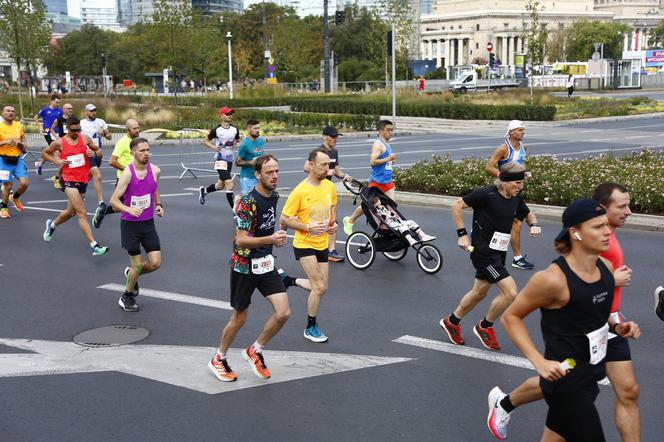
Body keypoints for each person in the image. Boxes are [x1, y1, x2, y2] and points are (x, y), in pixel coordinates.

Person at [486, 183, 641, 442]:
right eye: (598, 227)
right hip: (566, 381)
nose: (607, 233)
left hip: (591, 374)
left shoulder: (603, 266)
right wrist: (538, 361)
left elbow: (594, 311)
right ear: (575, 233)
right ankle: (504, 403)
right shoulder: (551, 280)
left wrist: (617, 328)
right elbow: (511, 317)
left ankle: (504, 404)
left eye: (606, 225)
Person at [440, 162, 541, 350]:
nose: (521, 186)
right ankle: (485, 327)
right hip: (483, 252)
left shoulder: (515, 196)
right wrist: (462, 234)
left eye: (522, 183)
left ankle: (452, 322)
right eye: (517, 183)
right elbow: (456, 205)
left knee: (479, 292)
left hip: (499, 252)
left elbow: (528, 213)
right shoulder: (486, 195)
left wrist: (534, 224)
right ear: (504, 182)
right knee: (510, 292)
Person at [209, 154, 291, 382]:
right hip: (244, 266)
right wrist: (271, 239)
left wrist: (275, 238)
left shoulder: (273, 196)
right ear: (257, 174)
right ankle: (219, 357)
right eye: (269, 172)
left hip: (265, 263)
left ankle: (255, 350)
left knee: (283, 312)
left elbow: (268, 227)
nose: (274, 176)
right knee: (239, 318)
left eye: (276, 171)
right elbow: (241, 240)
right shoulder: (248, 202)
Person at [281, 147, 338, 343]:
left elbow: (332, 214)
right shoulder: (299, 191)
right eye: (323, 165)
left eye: (329, 165)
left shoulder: (329, 187)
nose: (327, 169)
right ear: (311, 166)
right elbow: (284, 220)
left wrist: (333, 226)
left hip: (322, 244)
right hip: (304, 243)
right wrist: (307, 227)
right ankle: (310, 326)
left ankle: (289, 280)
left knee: (322, 288)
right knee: (319, 286)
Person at [40, 117, 109, 256]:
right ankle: (94, 245)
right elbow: (44, 153)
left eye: (78, 130)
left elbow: (100, 152)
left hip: (83, 179)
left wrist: (94, 153)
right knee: (81, 212)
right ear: (67, 128)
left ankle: (51, 225)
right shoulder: (59, 142)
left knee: (70, 212)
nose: (76, 132)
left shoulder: (85, 138)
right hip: (68, 180)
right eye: (73, 130)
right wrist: (57, 161)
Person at [109, 137, 163, 312]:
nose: (146, 153)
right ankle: (127, 296)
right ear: (133, 153)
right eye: (142, 150)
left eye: (148, 150)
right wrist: (129, 209)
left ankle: (131, 273)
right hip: (130, 224)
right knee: (138, 265)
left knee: (155, 263)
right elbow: (113, 201)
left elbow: (154, 188)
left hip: (147, 223)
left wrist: (159, 205)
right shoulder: (128, 173)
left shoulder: (155, 170)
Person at [486, 120, 534, 270]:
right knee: (515, 223)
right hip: (505, 190)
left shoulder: (523, 147)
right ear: (511, 132)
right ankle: (517, 258)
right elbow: (489, 167)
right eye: (519, 130)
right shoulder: (503, 149)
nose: (522, 133)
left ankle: (516, 257)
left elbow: (520, 165)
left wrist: (525, 174)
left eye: (523, 131)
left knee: (516, 223)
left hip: (517, 189)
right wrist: (504, 176)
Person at [307, 126, 353, 262]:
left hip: (328, 189)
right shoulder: (318, 152)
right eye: (333, 137)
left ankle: (331, 250)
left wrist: (345, 176)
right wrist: (326, 172)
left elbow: (337, 171)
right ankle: (315, 247)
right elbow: (306, 168)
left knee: (332, 218)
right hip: (316, 189)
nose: (335, 139)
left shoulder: (334, 152)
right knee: (317, 218)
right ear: (325, 137)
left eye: (336, 137)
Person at [343, 120, 395, 235]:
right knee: (368, 205)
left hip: (388, 181)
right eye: (388, 130)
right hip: (377, 182)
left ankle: (388, 229)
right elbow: (373, 162)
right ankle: (350, 220)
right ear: (381, 131)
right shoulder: (378, 144)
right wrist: (388, 159)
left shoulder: (387, 144)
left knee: (392, 207)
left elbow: (386, 163)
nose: (391, 132)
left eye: (392, 130)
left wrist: (390, 163)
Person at [93, 119, 141, 228]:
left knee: (136, 204)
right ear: (128, 130)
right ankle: (103, 211)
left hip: (136, 179)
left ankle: (137, 227)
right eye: (134, 128)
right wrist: (127, 170)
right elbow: (112, 161)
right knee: (118, 206)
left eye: (138, 127)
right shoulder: (122, 142)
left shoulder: (138, 142)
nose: (137, 130)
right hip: (124, 180)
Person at [199, 106, 240, 210]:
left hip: (230, 159)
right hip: (220, 160)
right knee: (229, 184)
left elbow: (239, 141)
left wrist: (239, 144)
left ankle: (204, 191)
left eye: (231, 113)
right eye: (227, 114)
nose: (230, 115)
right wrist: (214, 147)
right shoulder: (216, 130)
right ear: (222, 116)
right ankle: (235, 212)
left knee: (220, 186)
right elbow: (205, 141)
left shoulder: (235, 129)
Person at [80, 103, 112, 215]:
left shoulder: (101, 122)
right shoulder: (81, 124)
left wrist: (103, 133)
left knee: (88, 176)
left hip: (98, 152)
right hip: (87, 153)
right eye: (91, 111)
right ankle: (101, 203)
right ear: (86, 112)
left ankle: (79, 195)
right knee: (97, 175)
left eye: (95, 110)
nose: (94, 112)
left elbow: (109, 136)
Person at [0, 105, 29, 219]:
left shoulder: (18, 126)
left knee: (24, 183)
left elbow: (23, 141)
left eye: (13, 111)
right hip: (3, 159)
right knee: (8, 185)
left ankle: (15, 197)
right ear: (3, 113)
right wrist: (6, 142)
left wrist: (23, 146)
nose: (11, 113)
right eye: (8, 111)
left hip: (17, 159)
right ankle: (4, 208)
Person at [235, 118, 264, 200]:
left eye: (258, 128)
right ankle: (238, 203)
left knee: (259, 201)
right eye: (255, 128)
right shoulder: (244, 144)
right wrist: (250, 162)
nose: (258, 130)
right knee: (250, 202)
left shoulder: (261, 141)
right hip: (248, 177)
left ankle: (238, 201)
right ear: (248, 129)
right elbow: (237, 162)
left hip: (259, 176)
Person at [49, 103, 75, 189]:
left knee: (71, 163)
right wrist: (57, 138)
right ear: (63, 110)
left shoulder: (74, 119)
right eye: (68, 109)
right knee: (64, 162)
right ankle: (58, 178)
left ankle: (64, 178)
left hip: (73, 142)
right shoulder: (59, 119)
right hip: (62, 144)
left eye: (71, 108)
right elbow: (51, 129)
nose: (70, 110)